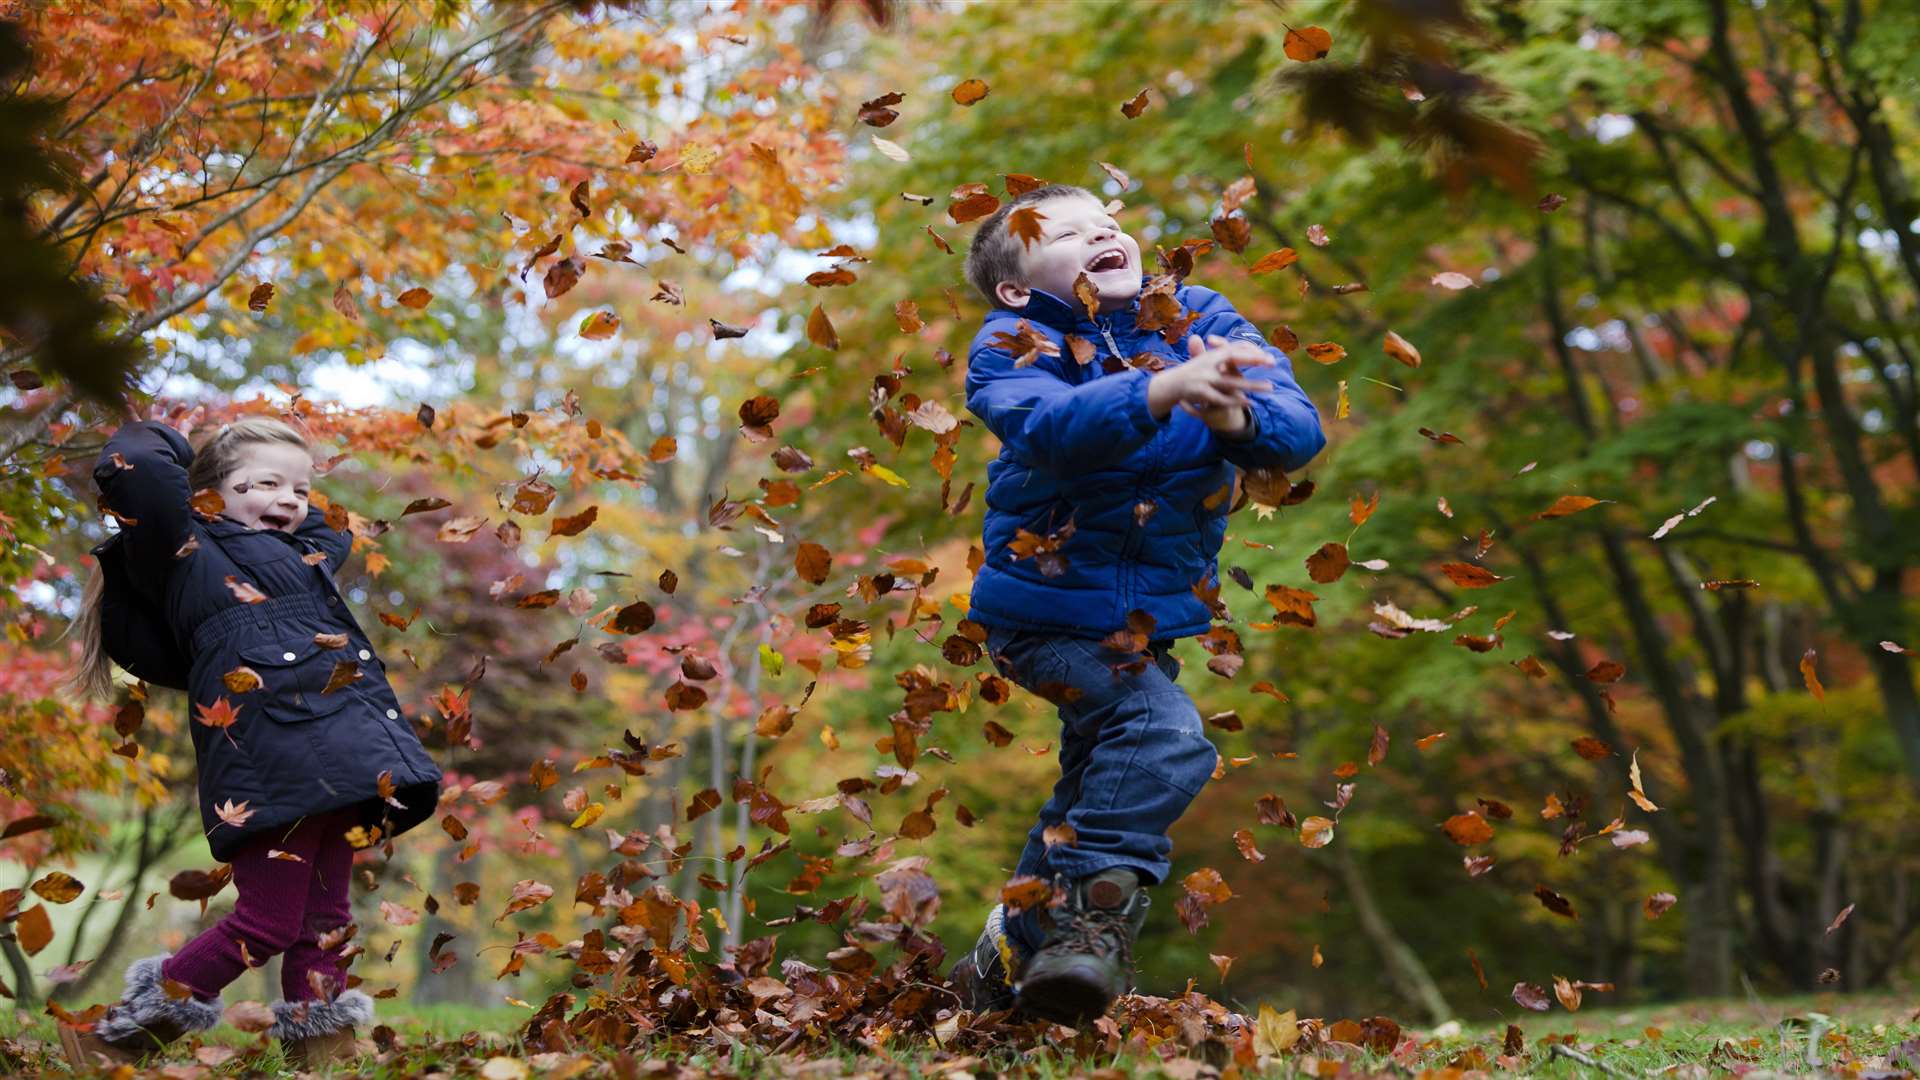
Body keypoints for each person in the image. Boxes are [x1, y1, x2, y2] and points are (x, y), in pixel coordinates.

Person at [947, 184, 1326, 1024]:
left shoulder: (1199, 317)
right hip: (1043, 615)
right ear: (1018, 287)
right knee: (1160, 734)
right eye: (1072, 233)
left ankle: (1001, 960)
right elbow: (1045, 427)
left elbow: (1297, 431)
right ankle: (1092, 927)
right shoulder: (1015, 340)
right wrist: (1157, 392)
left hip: (1141, 626)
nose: (1103, 233)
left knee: (1091, 789)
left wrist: (1235, 417)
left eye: (1109, 225)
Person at [60, 414, 443, 1068]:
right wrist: (182, 446)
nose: (290, 501)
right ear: (206, 497)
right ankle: (118, 1035)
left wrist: (282, 471)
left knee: (327, 920)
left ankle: (320, 1054)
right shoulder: (184, 551)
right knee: (266, 922)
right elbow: (143, 476)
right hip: (274, 760)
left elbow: (323, 520)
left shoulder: (304, 556)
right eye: (266, 484)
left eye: (299, 489)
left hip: (348, 761)